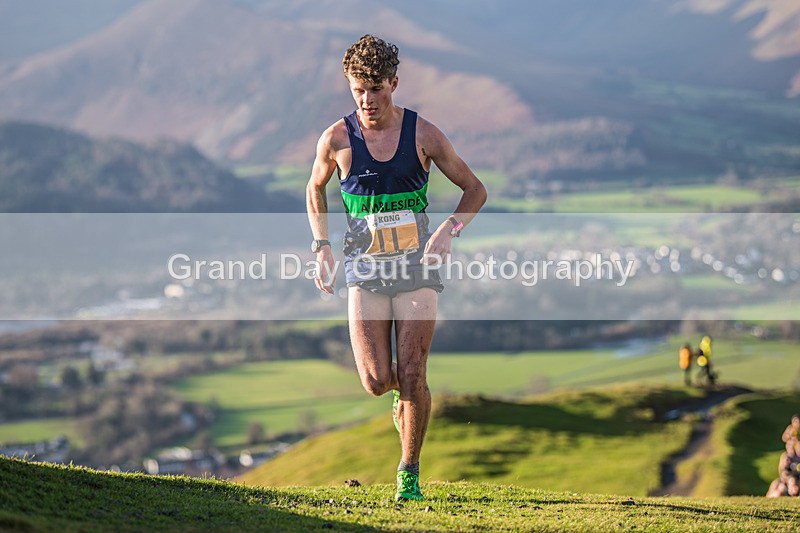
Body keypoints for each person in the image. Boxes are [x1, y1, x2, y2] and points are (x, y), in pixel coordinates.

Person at [305, 34, 487, 501]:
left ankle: (408, 475)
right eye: (358, 90)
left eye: (376, 90)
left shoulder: (422, 134)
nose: (367, 101)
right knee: (376, 380)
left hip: (416, 267)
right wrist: (322, 245)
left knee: (413, 373)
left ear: (394, 84)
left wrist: (448, 230)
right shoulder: (336, 139)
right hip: (364, 270)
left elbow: (475, 189)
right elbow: (315, 189)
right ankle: (395, 402)